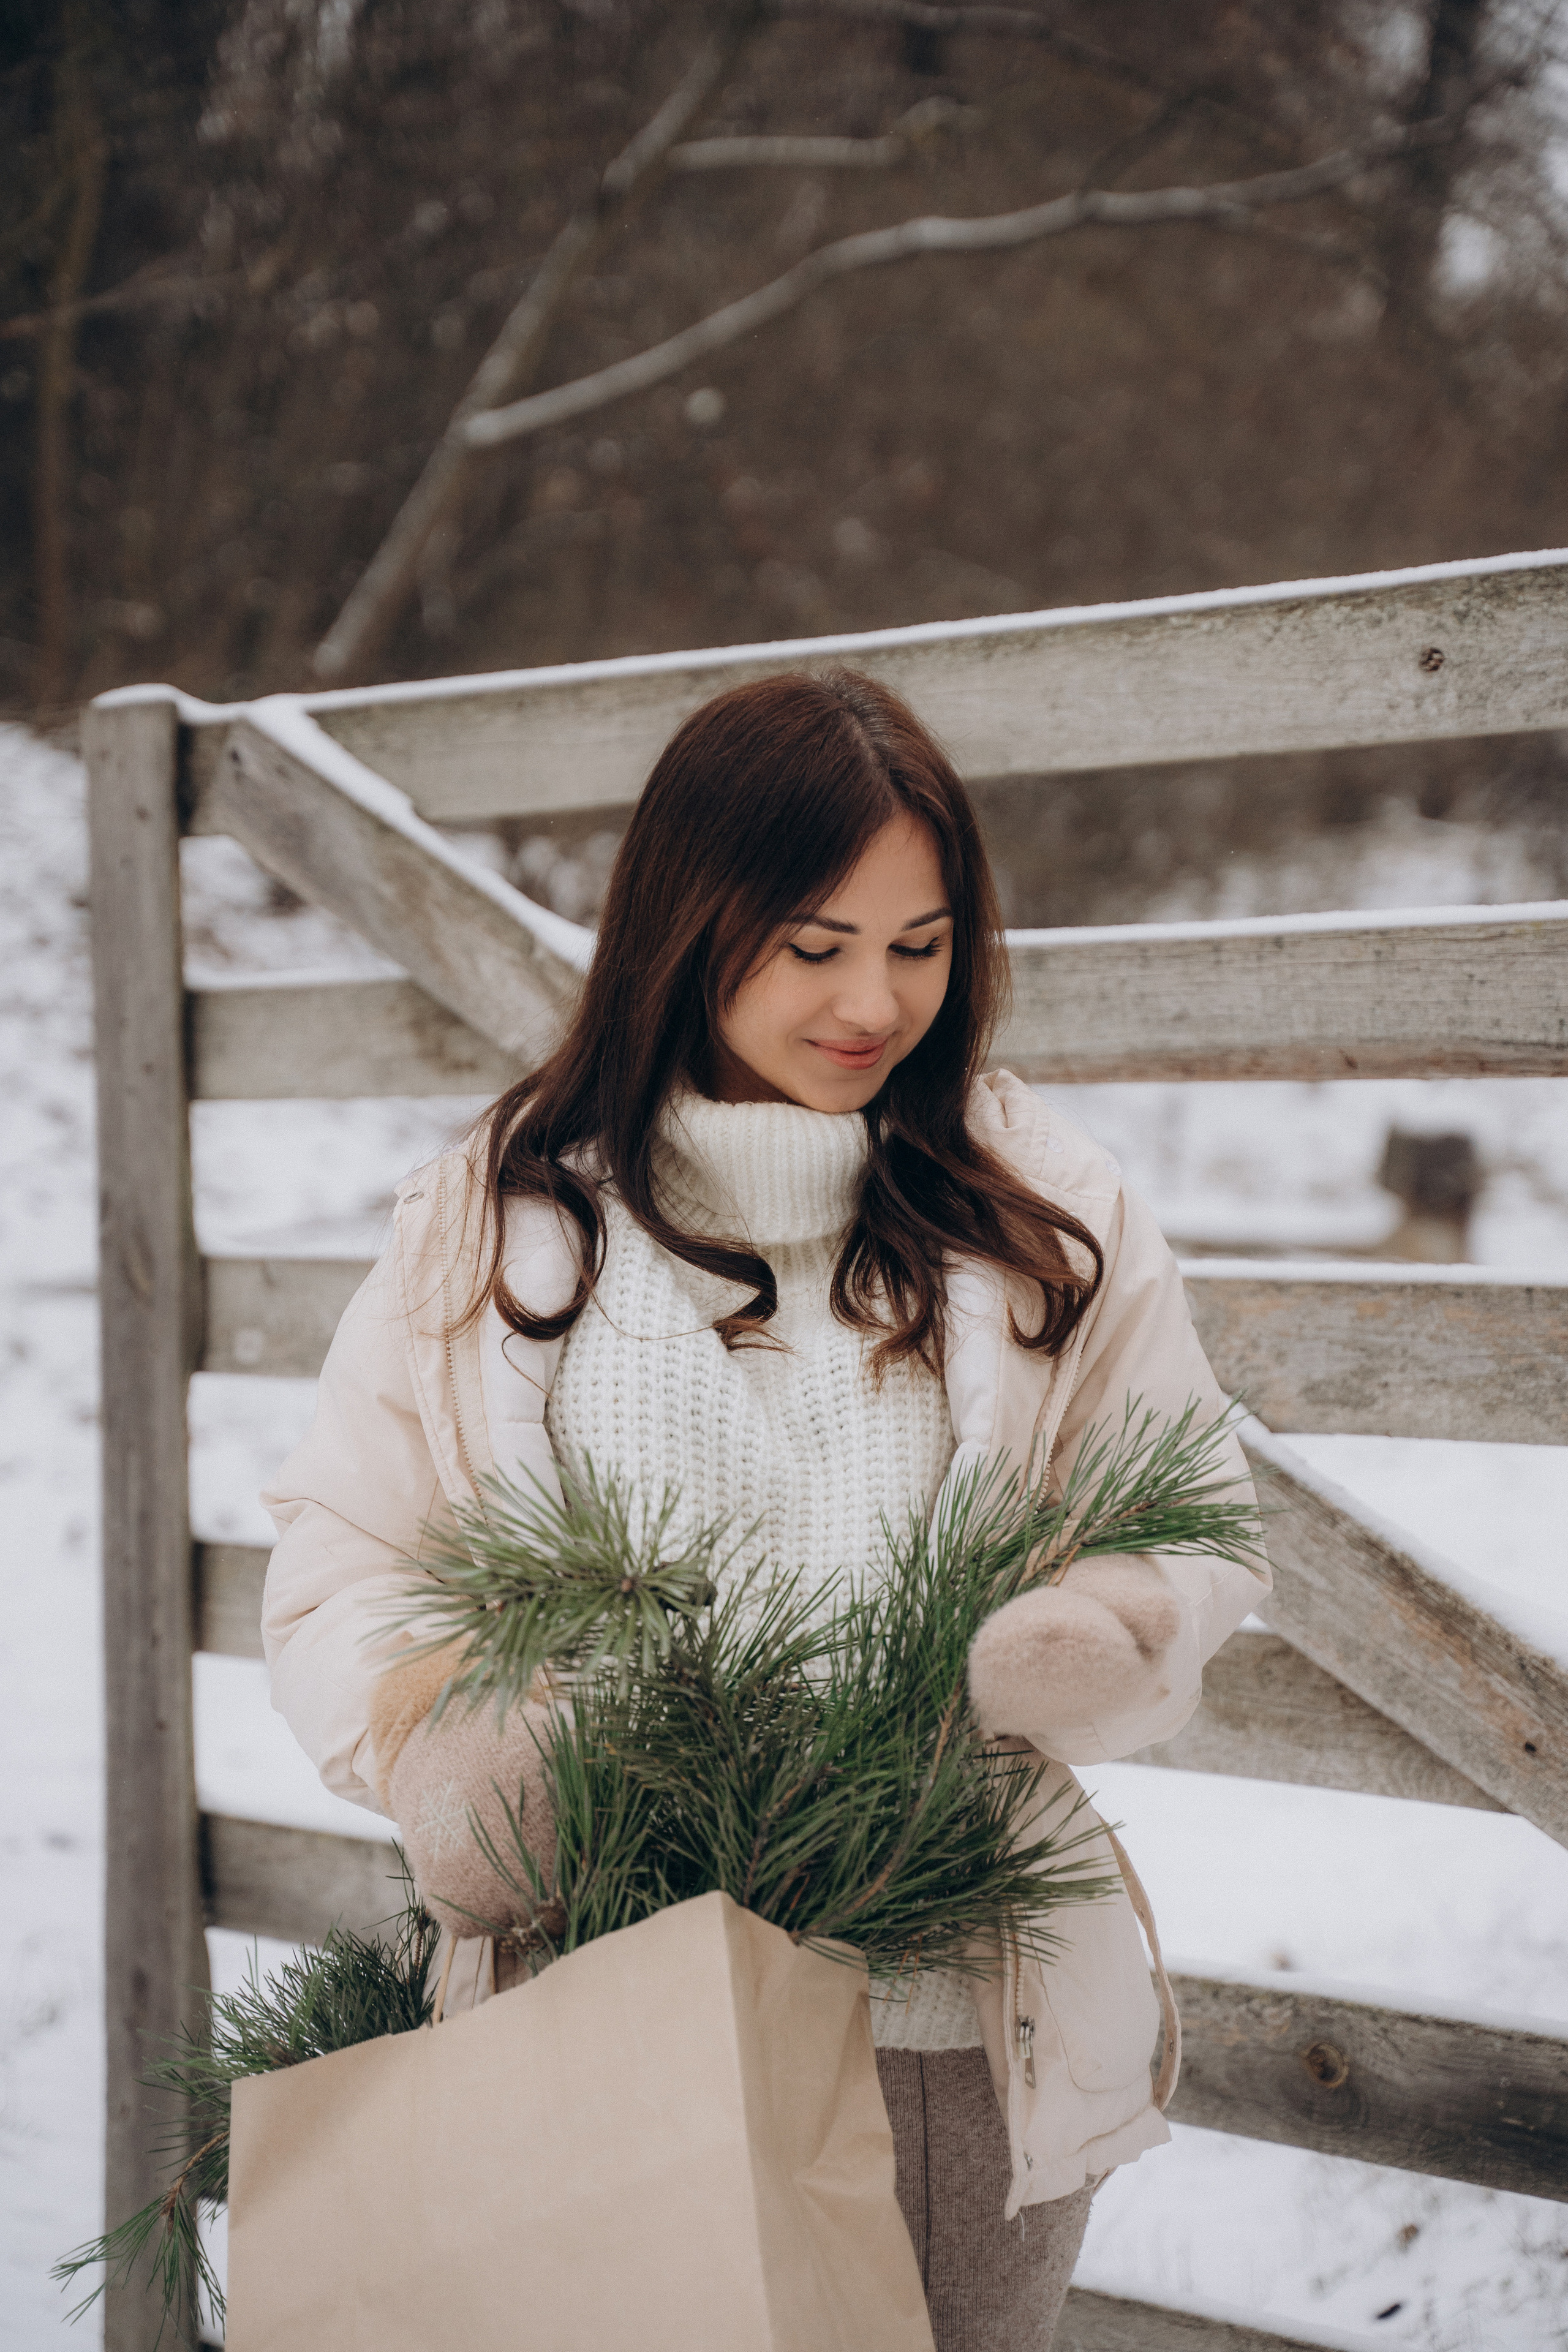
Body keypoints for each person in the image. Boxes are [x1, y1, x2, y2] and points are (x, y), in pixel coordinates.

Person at [262, 668, 1265, 2352]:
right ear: (689, 923)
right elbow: (344, 1555)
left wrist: (1108, 1628)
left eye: (921, 942)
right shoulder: (491, 1225)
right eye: (816, 946)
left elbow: (1194, 1511)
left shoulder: (1050, 1215)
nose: (877, 998)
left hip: (958, 2034)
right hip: (588, 2007)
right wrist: (452, 1742)